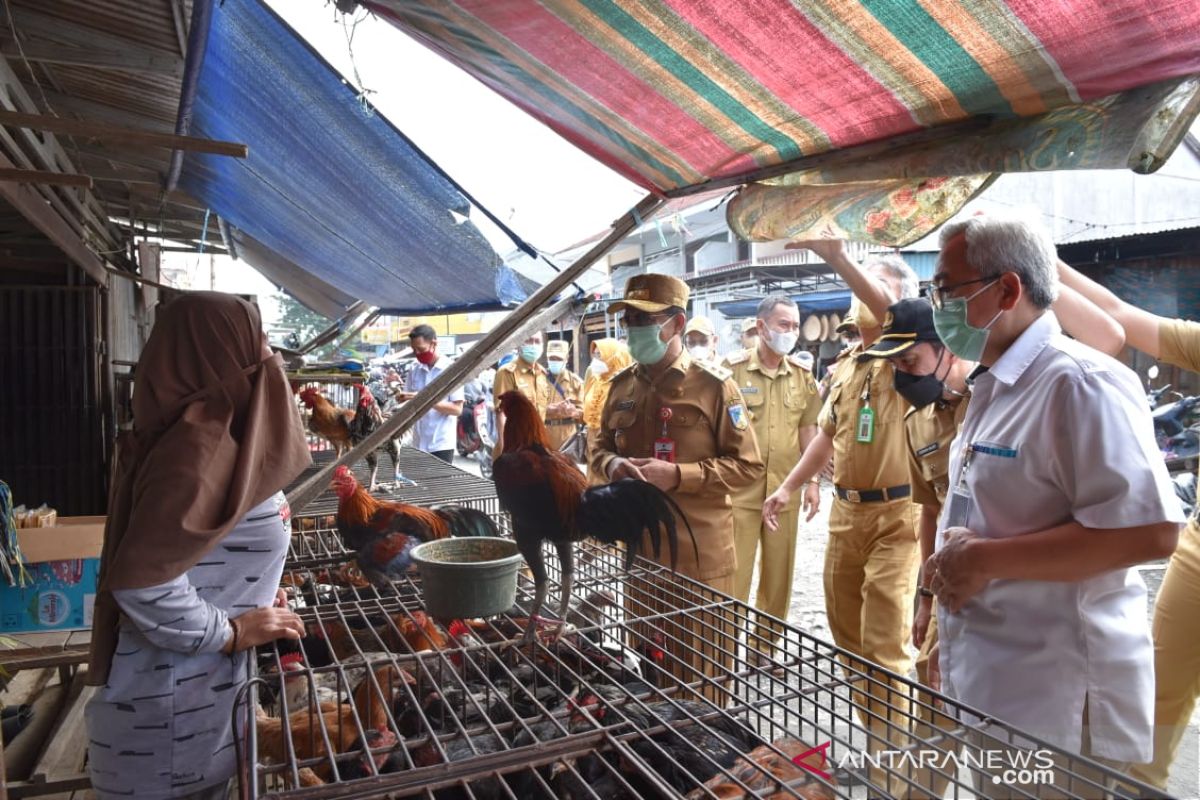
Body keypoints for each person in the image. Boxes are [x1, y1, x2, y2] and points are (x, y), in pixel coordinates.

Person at [924, 214, 1181, 793]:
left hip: (1059, 703)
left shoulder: (1078, 383)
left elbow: (1152, 533)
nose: (938, 304)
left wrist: (984, 561)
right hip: (1002, 680)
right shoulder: (996, 384)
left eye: (947, 288)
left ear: (1007, 290)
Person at [85, 292, 310, 800]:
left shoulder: (224, 435)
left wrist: (250, 595)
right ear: (217, 351)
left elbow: (200, 553)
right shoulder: (198, 451)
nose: (268, 354)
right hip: (165, 733)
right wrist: (231, 630)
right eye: (255, 340)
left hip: (195, 714)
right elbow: (143, 585)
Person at [762, 242, 921, 779]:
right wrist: (787, 487)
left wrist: (835, 255)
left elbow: (887, 312)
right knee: (849, 642)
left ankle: (891, 776)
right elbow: (826, 436)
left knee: (884, 647)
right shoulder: (850, 363)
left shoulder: (915, 351)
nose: (859, 300)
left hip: (899, 519)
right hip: (845, 515)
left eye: (870, 287)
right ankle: (878, 752)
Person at [1057, 260, 1200, 790]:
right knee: (1159, 693)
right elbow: (1117, 315)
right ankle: (1144, 785)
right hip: (1197, 557)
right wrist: (1042, 260)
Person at [590, 273, 763, 703]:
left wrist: (681, 476)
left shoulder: (713, 386)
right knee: (649, 673)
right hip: (640, 556)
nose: (633, 329)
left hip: (698, 560)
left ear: (677, 324)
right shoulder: (621, 386)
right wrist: (612, 464)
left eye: (645, 319)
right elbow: (598, 446)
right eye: (628, 319)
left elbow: (749, 467)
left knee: (700, 683)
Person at [722, 295, 821, 661]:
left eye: (795, 326)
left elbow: (809, 430)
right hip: (740, 494)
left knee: (779, 578)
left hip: (785, 492)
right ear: (761, 327)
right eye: (784, 325)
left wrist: (811, 483)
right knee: (735, 577)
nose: (791, 333)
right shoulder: (731, 372)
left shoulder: (803, 376)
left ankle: (763, 649)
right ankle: (726, 650)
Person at [400, 324, 465, 464]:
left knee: (439, 485)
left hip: (441, 443)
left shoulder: (451, 370)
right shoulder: (414, 369)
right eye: (414, 350)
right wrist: (403, 399)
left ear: (434, 343)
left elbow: (457, 409)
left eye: (421, 349)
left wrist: (424, 399)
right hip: (417, 442)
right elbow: (408, 400)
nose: (417, 353)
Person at [581, 338, 632, 483]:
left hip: (610, 445)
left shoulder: (624, 384)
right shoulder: (594, 380)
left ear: (613, 358)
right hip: (591, 444)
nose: (595, 360)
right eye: (595, 355)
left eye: (600, 355)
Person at [492, 331, 551, 456]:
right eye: (529, 341)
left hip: (538, 449)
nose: (533, 345)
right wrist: (505, 452)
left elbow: (541, 411)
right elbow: (501, 414)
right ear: (519, 344)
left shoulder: (541, 374)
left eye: (537, 341)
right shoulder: (507, 372)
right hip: (515, 449)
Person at [543, 339, 584, 453]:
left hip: (568, 442)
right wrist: (549, 410)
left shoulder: (576, 382)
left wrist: (574, 412)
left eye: (559, 359)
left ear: (566, 358)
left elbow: (587, 415)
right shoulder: (537, 380)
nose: (555, 361)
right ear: (547, 358)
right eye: (552, 358)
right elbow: (528, 410)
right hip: (543, 439)